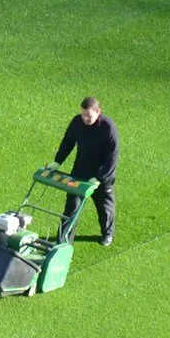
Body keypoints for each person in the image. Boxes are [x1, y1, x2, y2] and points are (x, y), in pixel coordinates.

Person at [53, 95, 118, 245]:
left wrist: (100, 178)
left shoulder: (108, 128)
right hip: (80, 172)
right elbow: (68, 141)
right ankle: (63, 241)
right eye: (83, 114)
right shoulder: (77, 122)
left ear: (98, 112)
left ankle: (107, 234)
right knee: (71, 207)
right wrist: (57, 161)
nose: (85, 119)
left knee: (104, 208)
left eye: (88, 116)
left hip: (102, 177)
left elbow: (112, 157)